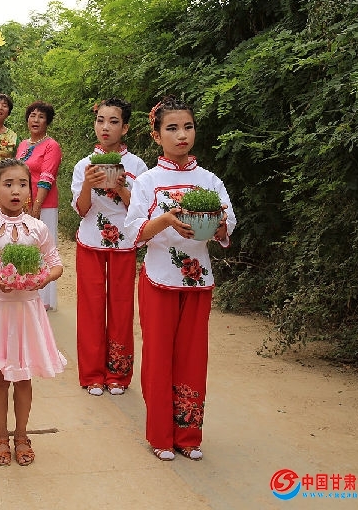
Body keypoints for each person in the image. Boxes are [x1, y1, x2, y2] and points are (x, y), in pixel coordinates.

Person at [123, 96, 236, 462]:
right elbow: (133, 232)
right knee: (158, 356)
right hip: (159, 277)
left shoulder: (209, 180)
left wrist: (220, 226)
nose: (182, 134)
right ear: (156, 136)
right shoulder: (147, 182)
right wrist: (166, 220)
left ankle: (188, 435)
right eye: (171, 128)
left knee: (193, 357)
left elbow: (227, 225)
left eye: (188, 126)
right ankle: (160, 435)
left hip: (198, 279)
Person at [0, 159, 65, 467]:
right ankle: (0, 435)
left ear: (30, 191)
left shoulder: (38, 228)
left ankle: (21, 435)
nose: (16, 190)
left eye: (22, 184)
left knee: (23, 376)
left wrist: (43, 279)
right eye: (8, 184)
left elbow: (56, 264)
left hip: (29, 310)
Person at [71, 98, 148, 397]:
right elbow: (81, 210)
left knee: (121, 308)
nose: (105, 127)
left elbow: (140, 211)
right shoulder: (84, 165)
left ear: (125, 128)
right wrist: (88, 184)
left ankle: (118, 373)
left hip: (124, 244)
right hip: (90, 242)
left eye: (113, 121)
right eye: (100, 120)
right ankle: (92, 374)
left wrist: (121, 187)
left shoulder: (137, 166)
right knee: (90, 308)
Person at [16, 101, 63, 311]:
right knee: (26, 245)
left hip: (44, 204)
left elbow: (47, 177)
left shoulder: (52, 145)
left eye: (41, 117)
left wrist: (36, 207)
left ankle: (44, 298)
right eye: (32, 115)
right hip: (22, 204)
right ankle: (26, 290)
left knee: (43, 247)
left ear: (47, 122)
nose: (36, 120)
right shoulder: (23, 144)